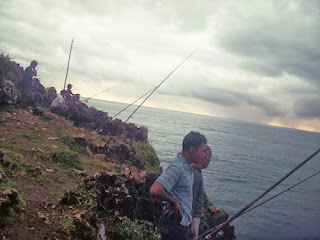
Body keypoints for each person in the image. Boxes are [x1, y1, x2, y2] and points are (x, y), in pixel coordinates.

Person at [150, 131, 207, 240]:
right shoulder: (177, 168)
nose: (204, 155)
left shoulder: (187, 167)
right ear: (192, 150)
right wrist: (173, 202)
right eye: (202, 151)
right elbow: (155, 189)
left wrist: (189, 221)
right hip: (174, 224)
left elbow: (183, 198)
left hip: (181, 222)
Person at [190, 146, 212, 240]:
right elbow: (190, 200)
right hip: (192, 218)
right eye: (209, 158)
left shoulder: (191, 170)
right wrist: (190, 223)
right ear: (203, 157)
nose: (209, 161)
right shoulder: (196, 175)